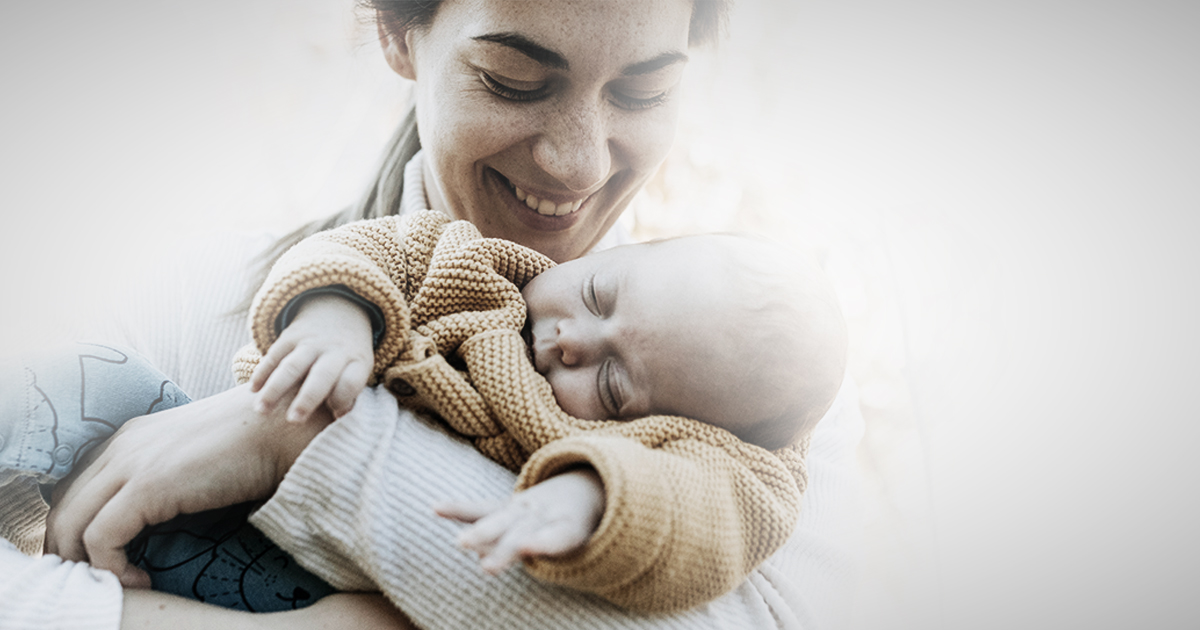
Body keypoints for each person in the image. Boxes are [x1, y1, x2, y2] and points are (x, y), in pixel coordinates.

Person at [3, 1, 865, 628]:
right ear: (396, 32)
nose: (576, 162)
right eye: (513, 79)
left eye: (641, 95)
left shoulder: (760, 388)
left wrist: (302, 441)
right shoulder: (200, 294)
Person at [0, 208, 845, 615]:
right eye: (597, 292)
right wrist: (337, 315)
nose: (572, 340)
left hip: (293, 579)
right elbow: (366, 249)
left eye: (616, 386)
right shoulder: (476, 266)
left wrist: (588, 498)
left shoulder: (711, 462)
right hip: (189, 447)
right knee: (92, 382)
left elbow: (700, 516)